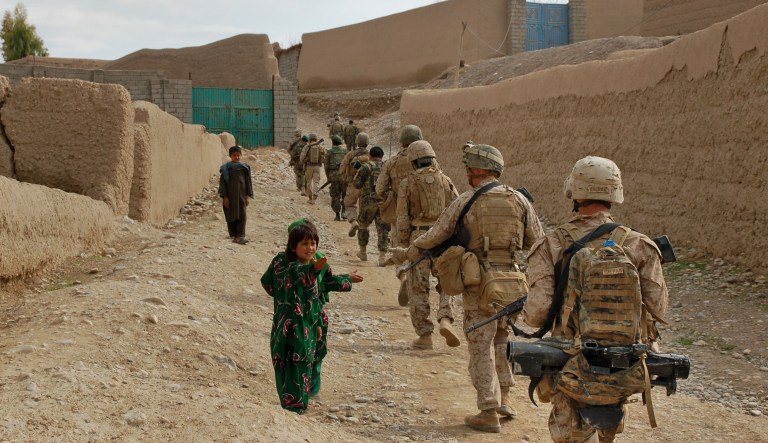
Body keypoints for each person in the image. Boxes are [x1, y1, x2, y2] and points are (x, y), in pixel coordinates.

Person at [522, 156, 669, 443]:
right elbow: (658, 308)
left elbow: (536, 314)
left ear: (575, 191)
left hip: (572, 363)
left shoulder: (551, 244)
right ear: (615, 193)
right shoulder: (639, 244)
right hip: (624, 364)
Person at [408, 142, 544, 433]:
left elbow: (436, 235)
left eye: (470, 167)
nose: (467, 172)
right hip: (512, 282)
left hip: (479, 283)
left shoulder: (466, 200)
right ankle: (505, 397)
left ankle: (488, 409)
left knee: (481, 344)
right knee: (503, 338)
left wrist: (411, 249)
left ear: (481, 169)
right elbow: (538, 243)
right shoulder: (520, 200)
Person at [261, 219, 363, 414]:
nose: (310, 248)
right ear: (293, 243)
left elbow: (327, 281)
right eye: (305, 243)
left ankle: (301, 402)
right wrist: (287, 301)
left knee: (308, 360)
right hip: (290, 325)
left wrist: (347, 279)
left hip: (311, 322)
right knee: (286, 361)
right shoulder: (283, 263)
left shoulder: (318, 261)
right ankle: (293, 406)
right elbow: (295, 275)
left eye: (313, 243)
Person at [396, 140, 460, 349]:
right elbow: (458, 210)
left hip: (420, 239)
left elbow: (402, 219)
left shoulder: (408, 183)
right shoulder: (446, 181)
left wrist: (405, 245)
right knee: (446, 284)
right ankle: (445, 318)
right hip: (443, 239)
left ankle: (425, 336)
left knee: (419, 288)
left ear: (413, 161)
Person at [352, 145, 391, 264]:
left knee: (363, 226)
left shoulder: (365, 167)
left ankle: (363, 253)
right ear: (382, 156)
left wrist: (357, 172)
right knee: (383, 229)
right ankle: (382, 257)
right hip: (383, 202)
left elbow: (357, 184)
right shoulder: (387, 167)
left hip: (367, 203)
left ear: (370, 156)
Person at [218, 145, 254, 245]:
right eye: (234, 155)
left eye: (238, 155)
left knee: (242, 215)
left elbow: (248, 182)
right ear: (230, 156)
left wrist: (248, 196)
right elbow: (223, 184)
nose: (236, 157)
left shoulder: (244, 168)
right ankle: (233, 235)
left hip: (242, 196)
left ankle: (240, 236)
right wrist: (225, 197)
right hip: (230, 197)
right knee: (231, 215)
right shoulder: (226, 169)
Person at [340, 132, 370, 236]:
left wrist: (345, 179)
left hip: (353, 184)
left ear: (357, 142)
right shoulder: (370, 155)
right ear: (367, 142)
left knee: (349, 204)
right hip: (366, 186)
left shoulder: (350, 154)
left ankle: (353, 221)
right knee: (364, 207)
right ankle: (363, 229)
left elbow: (342, 169)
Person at [324, 135, 348, 220]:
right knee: (345, 194)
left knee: (335, 195)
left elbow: (326, 166)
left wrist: (328, 177)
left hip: (333, 176)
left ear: (333, 142)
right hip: (344, 176)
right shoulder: (346, 151)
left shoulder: (329, 152)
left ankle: (337, 215)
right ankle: (344, 211)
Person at [300, 133, 325, 204]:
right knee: (316, 182)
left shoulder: (307, 146)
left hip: (309, 167)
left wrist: (304, 162)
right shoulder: (320, 146)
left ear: (310, 139)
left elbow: (301, 158)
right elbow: (324, 157)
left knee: (308, 182)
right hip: (317, 167)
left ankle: (310, 198)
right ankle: (314, 198)